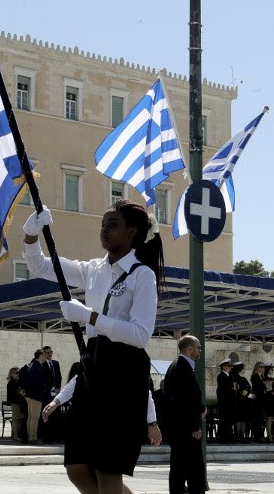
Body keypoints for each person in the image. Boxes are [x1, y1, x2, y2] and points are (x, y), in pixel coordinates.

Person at [23, 199, 163, 494]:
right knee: (76, 466)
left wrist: (90, 316)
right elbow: (39, 266)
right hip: (94, 367)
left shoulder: (142, 275)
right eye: (102, 224)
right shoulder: (93, 270)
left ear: (132, 232)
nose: (104, 230)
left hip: (124, 372)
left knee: (107, 470)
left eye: (112, 225)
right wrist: (31, 235)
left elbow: (140, 335)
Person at [163, 335, 206, 494]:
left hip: (180, 429)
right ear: (189, 349)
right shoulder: (182, 367)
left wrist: (201, 408)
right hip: (186, 430)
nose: (199, 350)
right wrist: (195, 426)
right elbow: (185, 401)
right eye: (198, 347)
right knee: (194, 470)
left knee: (179, 469)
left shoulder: (177, 365)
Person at [19, 350, 45, 444]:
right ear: (41, 355)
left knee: (31, 417)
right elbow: (31, 380)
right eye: (44, 355)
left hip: (30, 395)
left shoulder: (33, 365)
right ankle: (33, 438)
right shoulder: (36, 366)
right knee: (34, 418)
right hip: (35, 396)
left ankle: (31, 437)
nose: (45, 357)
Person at [41, 345, 62, 443]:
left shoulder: (56, 363)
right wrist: (50, 389)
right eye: (47, 353)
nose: (50, 354)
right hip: (46, 394)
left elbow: (59, 376)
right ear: (44, 354)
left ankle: (56, 436)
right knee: (47, 416)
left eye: (51, 352)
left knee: (56, 417)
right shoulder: (42, 364)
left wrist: (58, 388)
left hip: (56, 394)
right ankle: (47, 438)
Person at [230, 361, 252, 442]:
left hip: (245, 402)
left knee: (243, 420)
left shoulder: (243, 378)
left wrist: (251, 394)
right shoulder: (235, 378)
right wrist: (250, 395)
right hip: (238, 402)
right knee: (238, 420)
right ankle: (238, 436)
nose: (244, 369)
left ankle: (242, 436)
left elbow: (249, 388)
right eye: (243, 368)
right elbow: (240, 390)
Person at [216, 357, 235, 443]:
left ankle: (228, 437)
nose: (230, 368)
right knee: (224, 421)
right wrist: (232, 390)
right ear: (223, 367)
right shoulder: (221, 376)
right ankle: (223, 438)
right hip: (224, 403)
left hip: (230, 402)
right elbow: (224, 390)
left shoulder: (229, 376)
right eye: (228, 366)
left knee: (229, 421)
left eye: (230, 366)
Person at [6, 366, 27, 443]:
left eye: (19, 372)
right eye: (16, 373)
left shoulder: (17, 381)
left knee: (19, 419)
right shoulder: (11, 382)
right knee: (16, 419)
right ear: (12, 374)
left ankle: (16, 435)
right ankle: (15, 436)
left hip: (18, 402)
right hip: (15, 402)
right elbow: (13, 392)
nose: (18, 374)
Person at [262, 363, 274, 442]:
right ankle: (269, 436)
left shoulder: (272, 379)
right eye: (271, 369)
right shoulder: (265, 378)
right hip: (269, 401)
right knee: (269, 418)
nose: (272, 370)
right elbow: (267, 390)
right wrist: (273, 392)